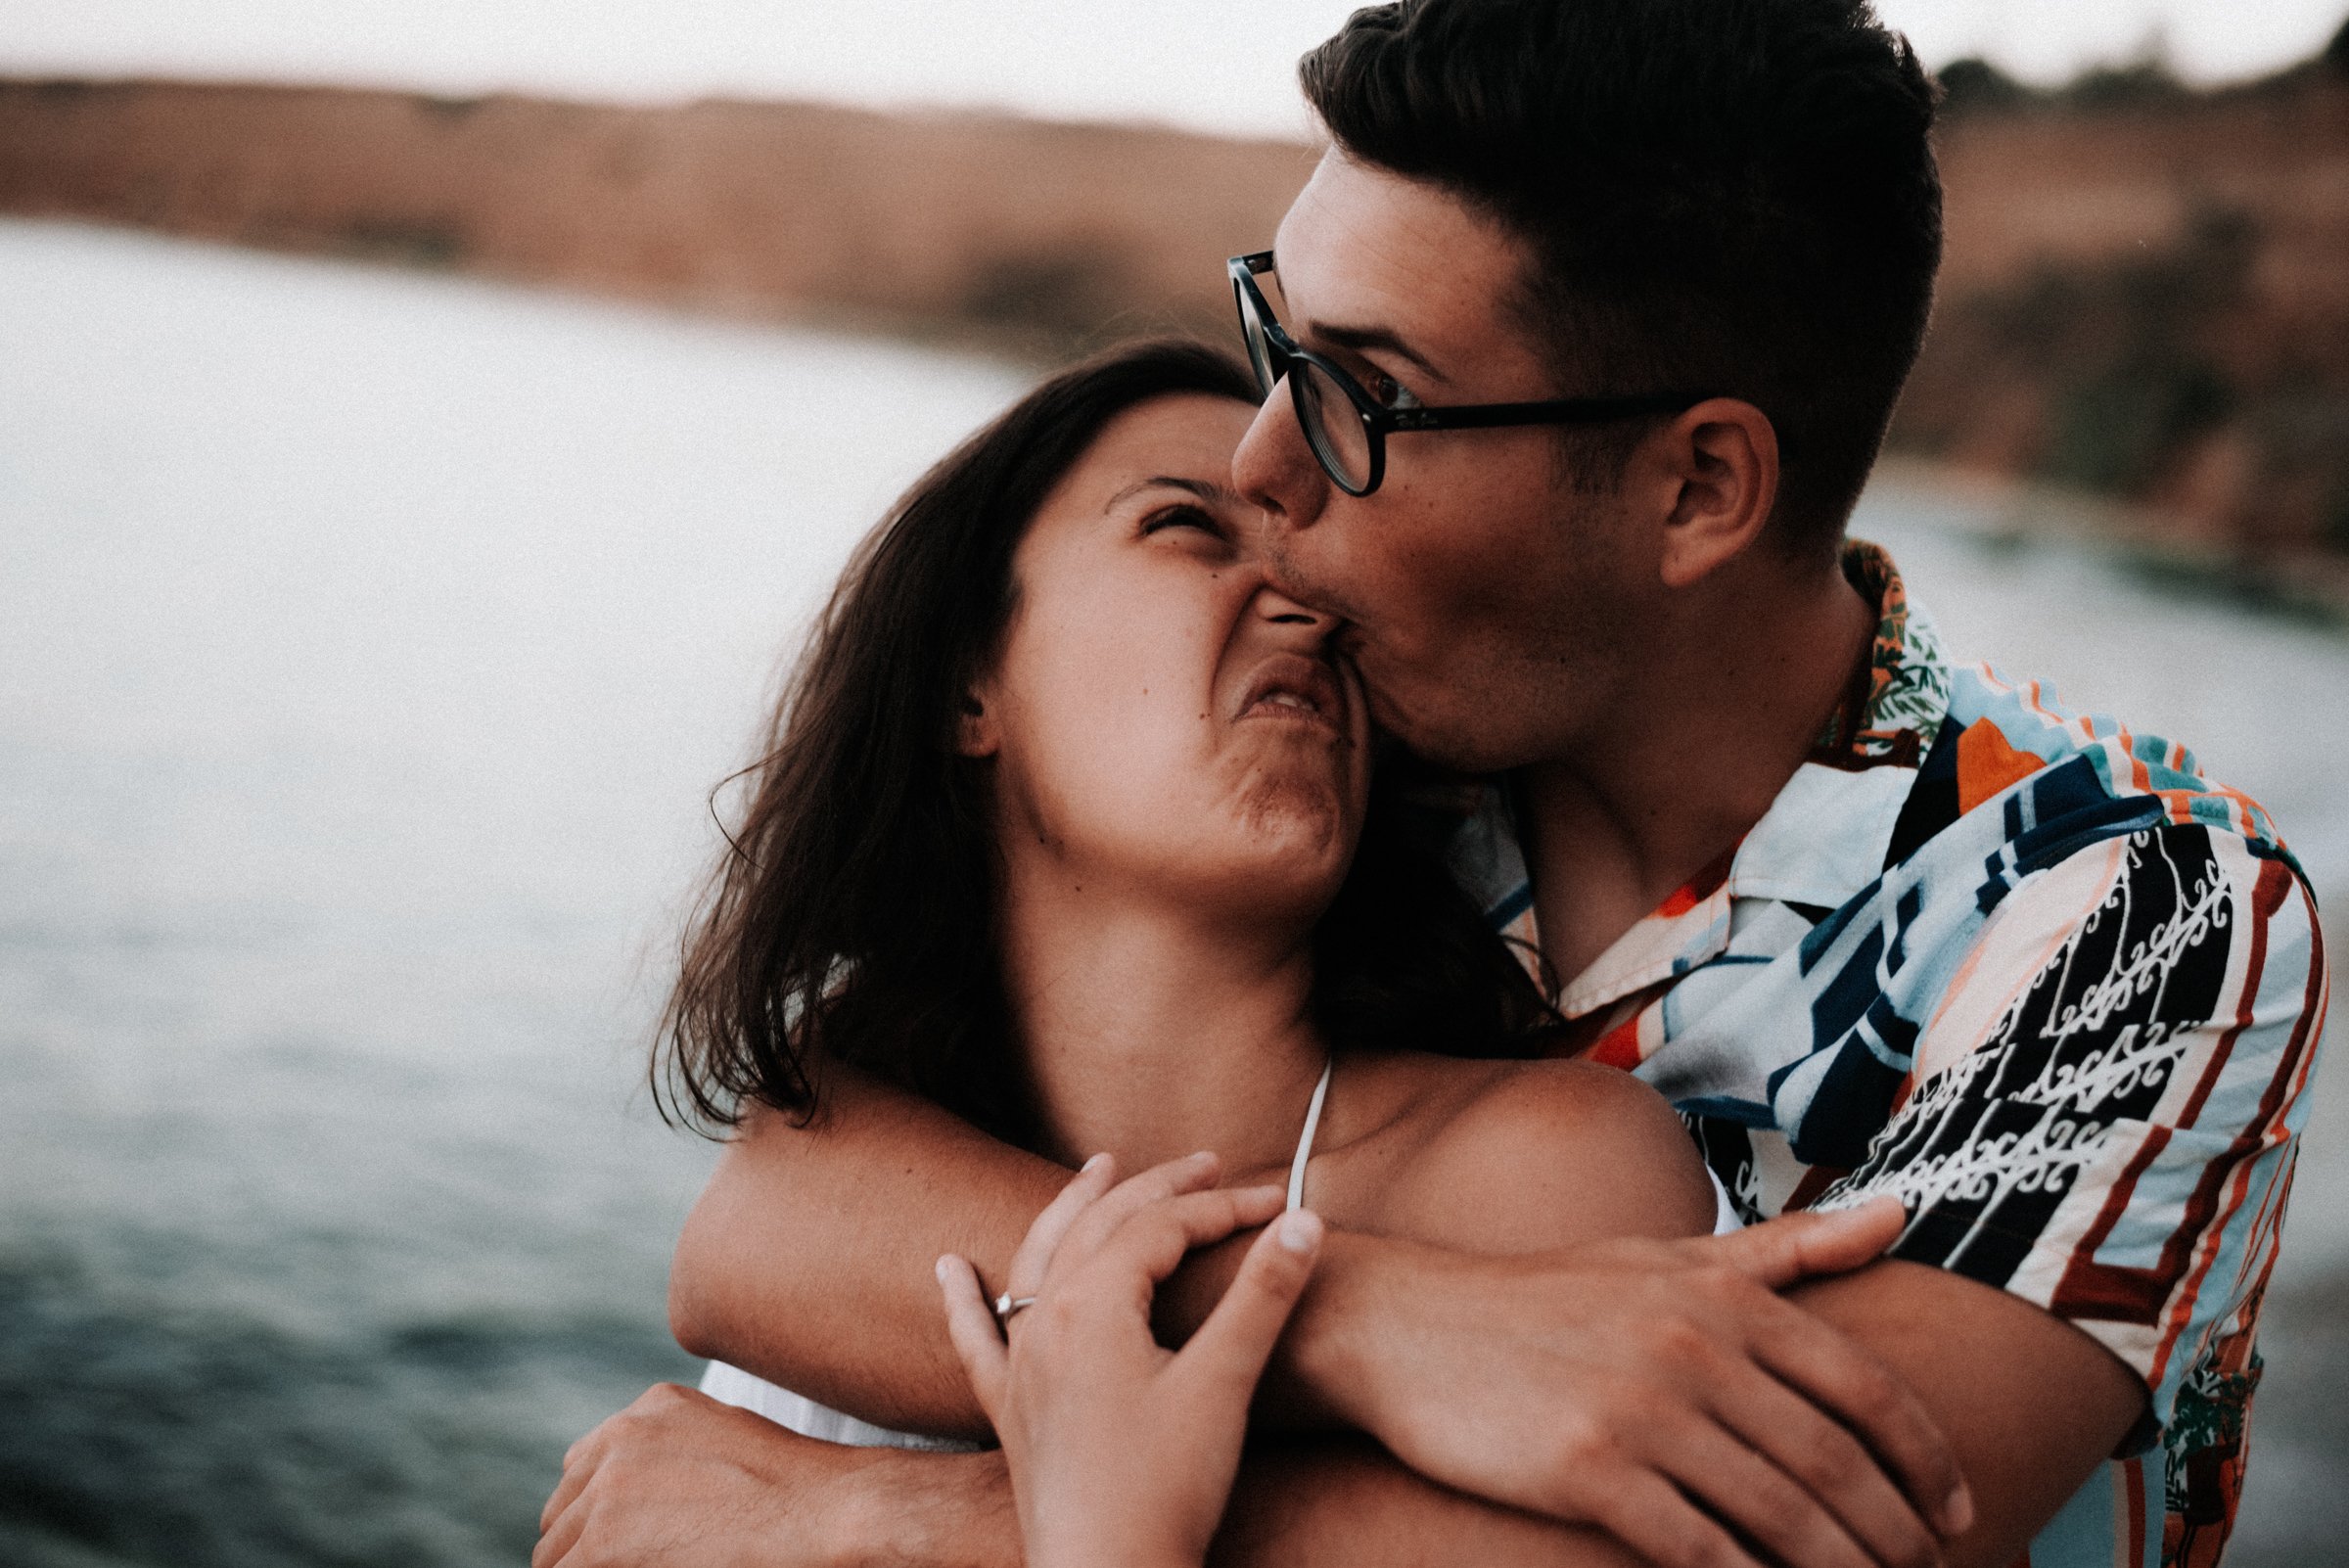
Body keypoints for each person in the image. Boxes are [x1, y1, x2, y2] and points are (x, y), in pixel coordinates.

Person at [546, 2, 2329, 1565]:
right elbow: (780, 1210)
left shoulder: (2124, 910)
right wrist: (1393, 1328)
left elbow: (1823, 1520)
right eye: (1277, 336)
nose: (1266, 466)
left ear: (1699, 490)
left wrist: (856, 1525)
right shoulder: (1364, 742)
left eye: (1366, 395)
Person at [538, 339, 1820, 1568]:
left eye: (1331, 594)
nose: (1304, 608)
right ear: (965, 680)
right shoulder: (842, 1175)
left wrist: (865, 1520)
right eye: (1186, 525)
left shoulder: (1538, 1183)